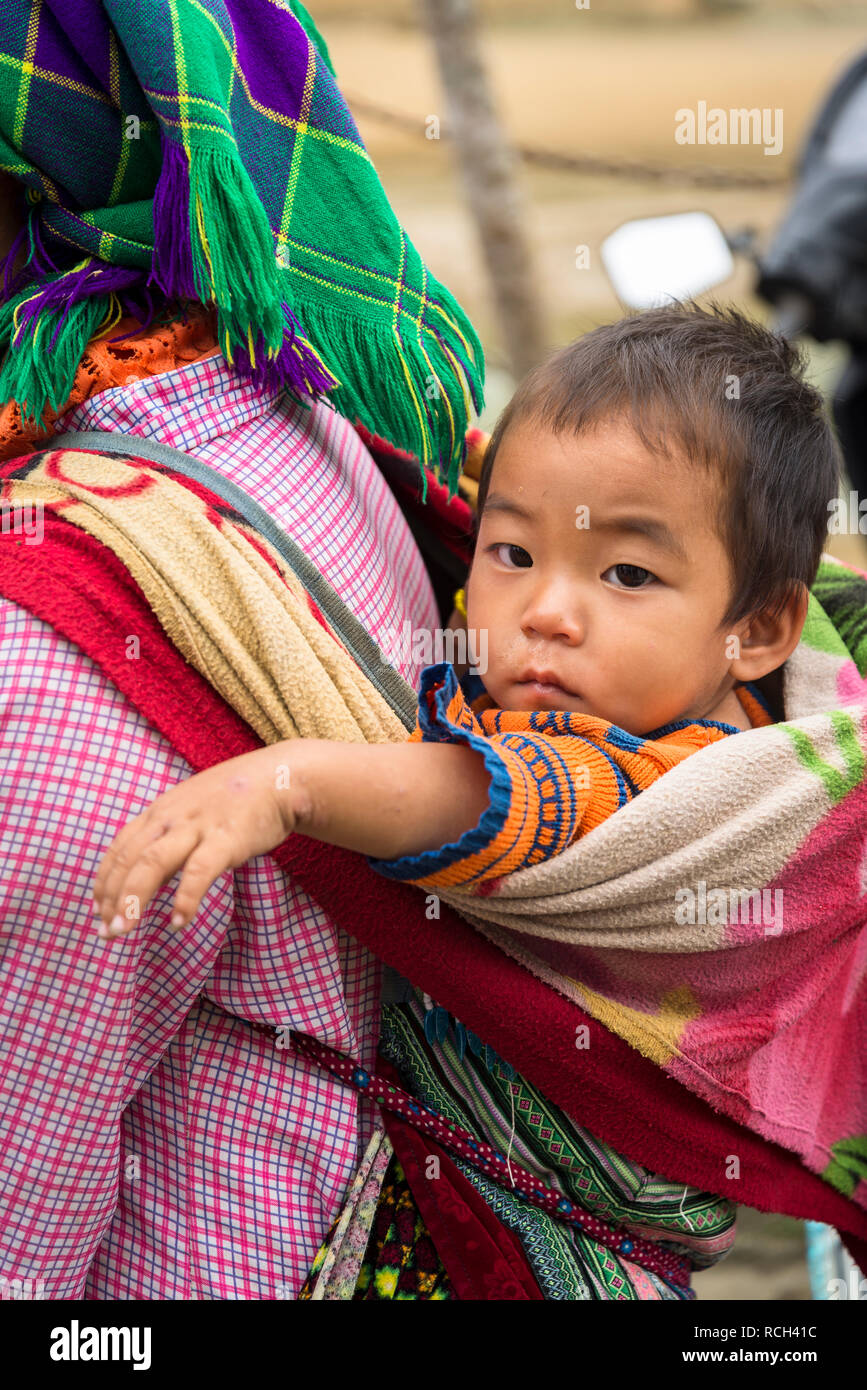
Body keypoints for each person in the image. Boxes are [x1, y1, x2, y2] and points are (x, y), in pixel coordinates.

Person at [95, 302, 834, 929]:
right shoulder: (659, 673)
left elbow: (498, 794)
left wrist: (288, 785)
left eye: (628, 574)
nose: (544, 615)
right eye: (512, 554)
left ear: (759, 630)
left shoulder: (674, 778)